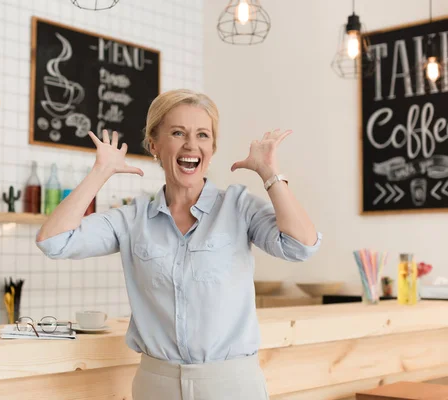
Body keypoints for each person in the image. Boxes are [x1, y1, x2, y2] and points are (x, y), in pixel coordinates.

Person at [36, 89, 322, 400]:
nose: (191, 144)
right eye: (177, 133)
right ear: (154, 145)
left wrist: (270, 172)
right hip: (155, 384)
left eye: (202, 135)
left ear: (212, 148)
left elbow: (301, 246)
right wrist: (100, 172)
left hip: (231, 384)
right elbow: (54, 241)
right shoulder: (134, 218)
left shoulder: (238, 207)